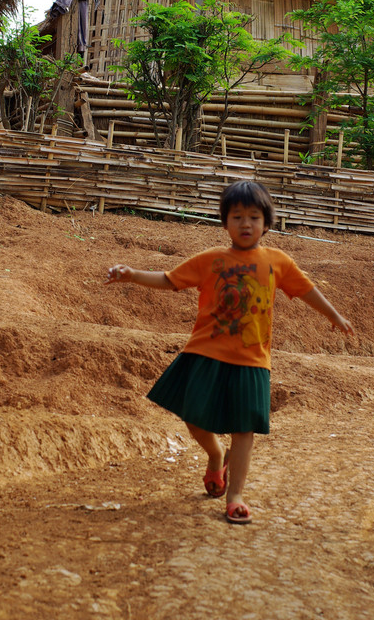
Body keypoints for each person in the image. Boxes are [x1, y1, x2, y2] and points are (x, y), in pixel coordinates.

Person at [106, 180, 353, 525]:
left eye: (254, 217)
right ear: (225, 223)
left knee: (244, 428)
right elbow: (169, 279)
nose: (246, 224)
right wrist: (131, 275)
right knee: (192, 416)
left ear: (267, 223)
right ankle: (215, 453)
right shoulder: (211, 260)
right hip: (205, 351)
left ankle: (235, 495)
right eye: (237, 217)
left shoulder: (277, 261)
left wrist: (335, 316)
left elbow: (308, 290)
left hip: (252, 360)